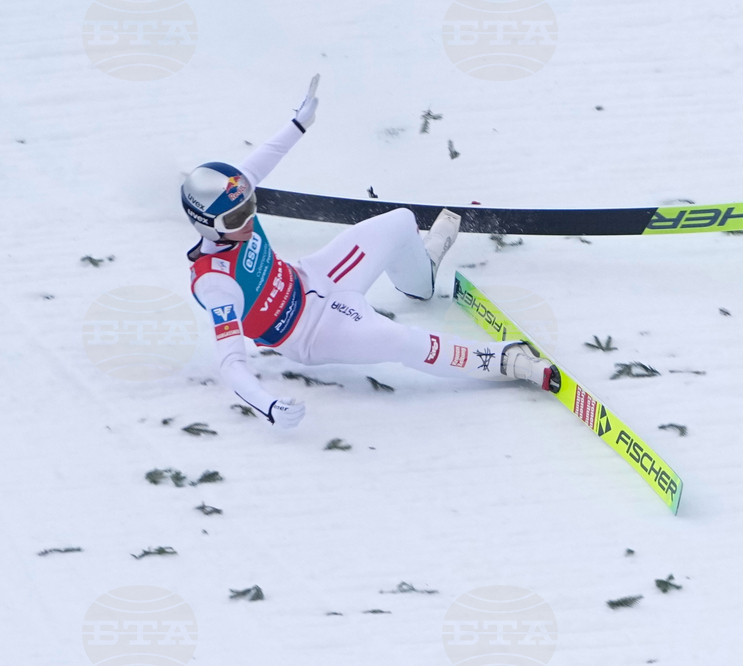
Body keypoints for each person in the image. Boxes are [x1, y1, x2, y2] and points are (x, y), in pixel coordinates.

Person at [181, 75, 560, 429]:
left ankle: (421, 278)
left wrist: (299, 123)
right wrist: (266, 405)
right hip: (312, 331)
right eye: (235, 219)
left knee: (399, 221)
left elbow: (262, 162)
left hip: (316, 275)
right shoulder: (215, 282)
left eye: (249, 206)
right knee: (400, 340)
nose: (247, 220)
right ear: (206, 224)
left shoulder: (233, 197)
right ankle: (505, 361)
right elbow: (231, 363)